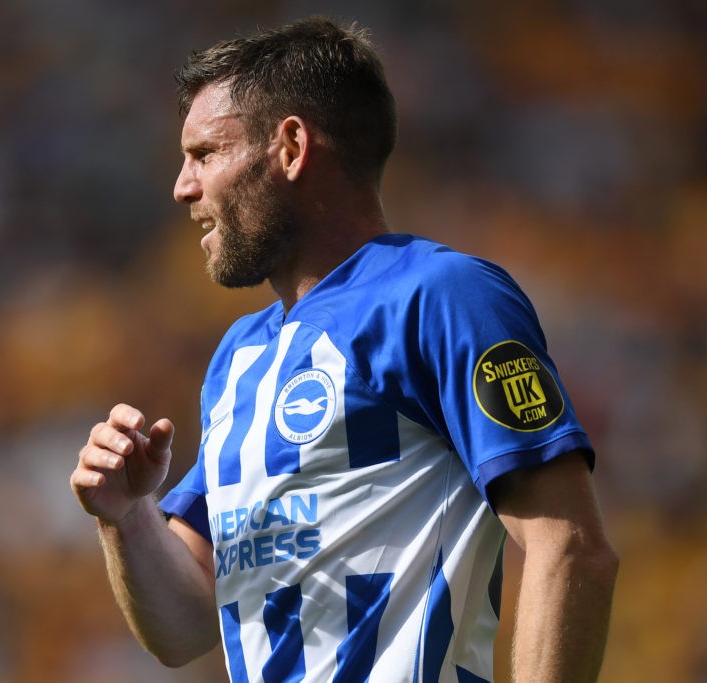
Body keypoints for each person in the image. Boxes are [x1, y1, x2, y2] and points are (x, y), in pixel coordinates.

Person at [71, 16, 618, 683]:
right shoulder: (239, 357)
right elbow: (185, 624)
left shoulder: (440, 296)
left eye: (205, 153)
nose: (183, 186)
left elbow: (569, 544)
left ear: (292, 147)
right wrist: (127, 518)